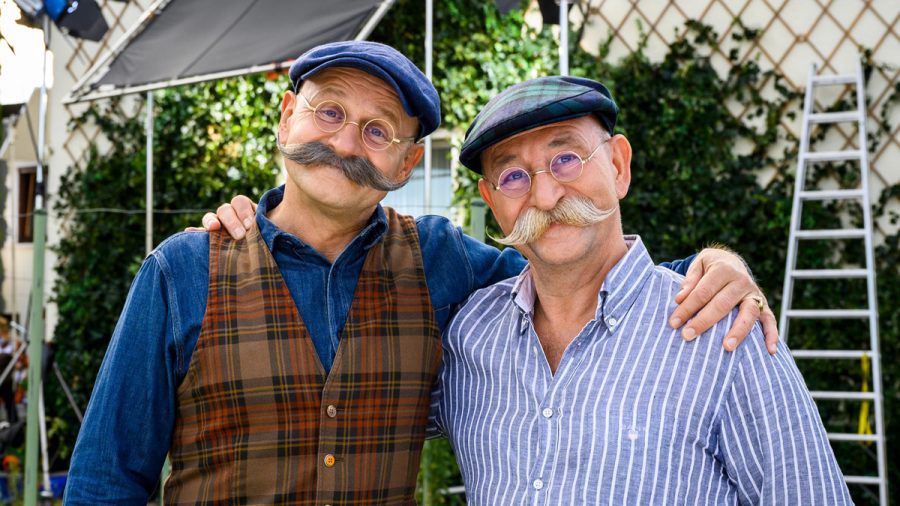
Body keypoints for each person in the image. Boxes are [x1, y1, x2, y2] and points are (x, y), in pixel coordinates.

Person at [66, 41, 770, 505]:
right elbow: (106, 478)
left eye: (379, 131)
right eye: (330, 113)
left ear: (405, 166)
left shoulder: (442, 261)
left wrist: (714, 267)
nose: (347, 143)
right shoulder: (182, 270)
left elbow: (575, 270)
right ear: (286, 120)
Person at [428, 76, 850, 504]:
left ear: (617, 166)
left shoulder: (724, 333)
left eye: (567, 159)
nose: (546, 194)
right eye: (513, 175)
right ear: (491, 199)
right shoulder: (467, 340)